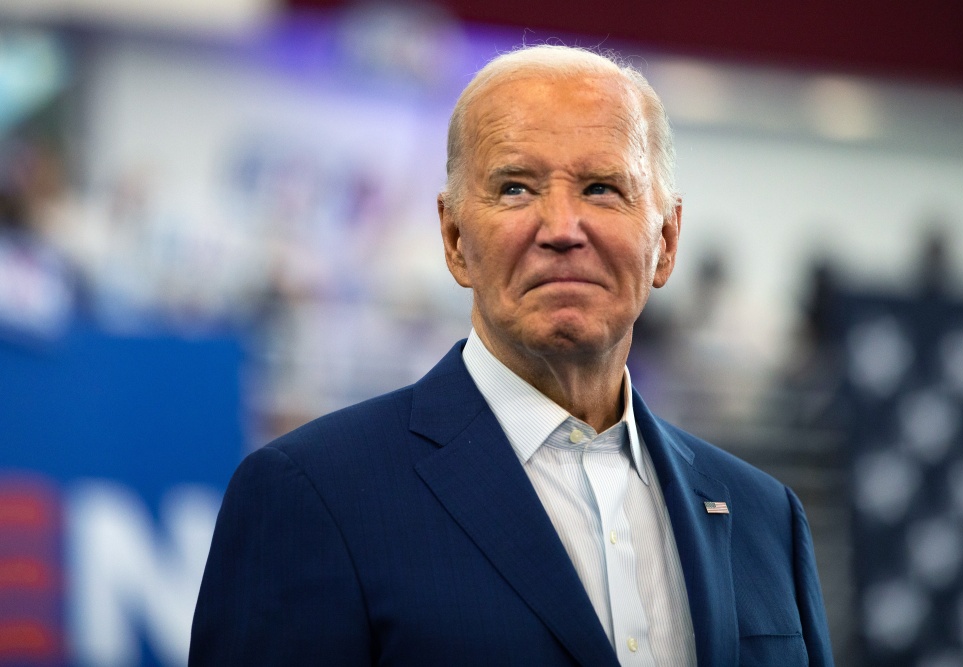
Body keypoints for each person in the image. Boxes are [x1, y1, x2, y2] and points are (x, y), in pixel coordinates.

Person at [190, 45, 834, 666]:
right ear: (454, 239)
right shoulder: (312, 495)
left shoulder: (763, 518)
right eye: (517, 189)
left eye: (603, 188)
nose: (560, 228)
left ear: (665, 241)